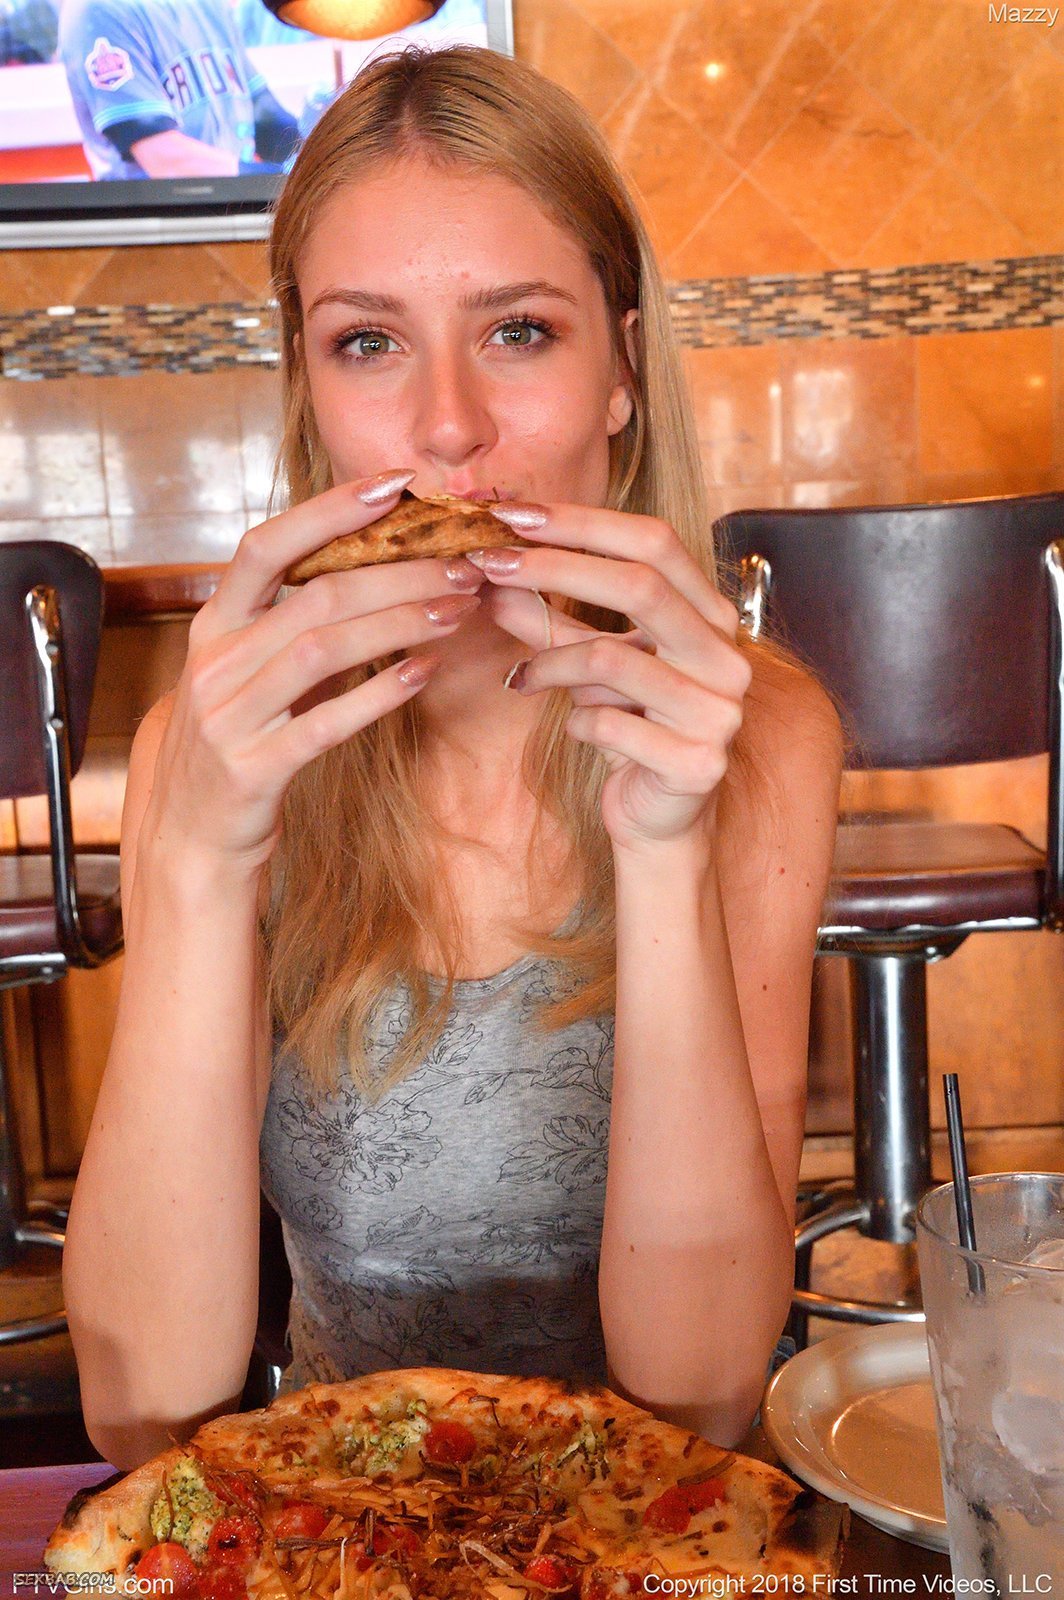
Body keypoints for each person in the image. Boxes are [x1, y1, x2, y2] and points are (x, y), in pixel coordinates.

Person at [62, 43, 844, 1472]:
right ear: (308, 391)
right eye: (368, 342)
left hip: (640, 1526)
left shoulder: (754, 734)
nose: (447, 429)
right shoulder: (218, 752)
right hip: (323, 1526)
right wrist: (200, 856)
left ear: (620, 370)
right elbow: (142, 1413)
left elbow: (703, 1398)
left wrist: (661, 851)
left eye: (519, 331)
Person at [58, 0, 299, 179]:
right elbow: (163, 158)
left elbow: (264, 117)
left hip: (228, 207)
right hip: (157, 220)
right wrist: (285, 181)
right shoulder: (98, 9)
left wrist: (315, 161)